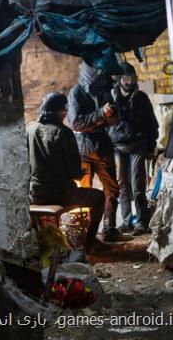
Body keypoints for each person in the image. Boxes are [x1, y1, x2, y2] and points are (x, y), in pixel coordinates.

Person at [27, 92, 108, 253]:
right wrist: (80, 172)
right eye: (64, 110)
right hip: (61, 194)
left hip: (36, 194)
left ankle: (43, 245)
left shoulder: (31, 129)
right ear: (59, 111)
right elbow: (73, 172)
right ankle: (89, 243)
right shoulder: (63, 132)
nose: (65, 114)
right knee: (99, 198)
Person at [67, 62, 121, 242]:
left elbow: (115, 120)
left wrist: (110, 115)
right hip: (83, 149)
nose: (101, 86)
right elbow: (77, 123)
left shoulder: (104, 91)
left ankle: (109, 229)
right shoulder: (76, 93)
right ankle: (84, 235)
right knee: (84, 192)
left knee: (112, 188)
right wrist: (101, 115)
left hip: (103, 147)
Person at [109, 62, 159, 236]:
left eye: (133, 77)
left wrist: (151, 146)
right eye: (126, 78)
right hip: (118, 146)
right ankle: (126, 221)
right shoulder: (111, 96)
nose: (130, 81)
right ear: (120, 79)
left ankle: (142, 223)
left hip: (138, 144)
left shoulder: (141, 98)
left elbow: (152, 123)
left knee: (138, 185)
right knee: (122, 185)